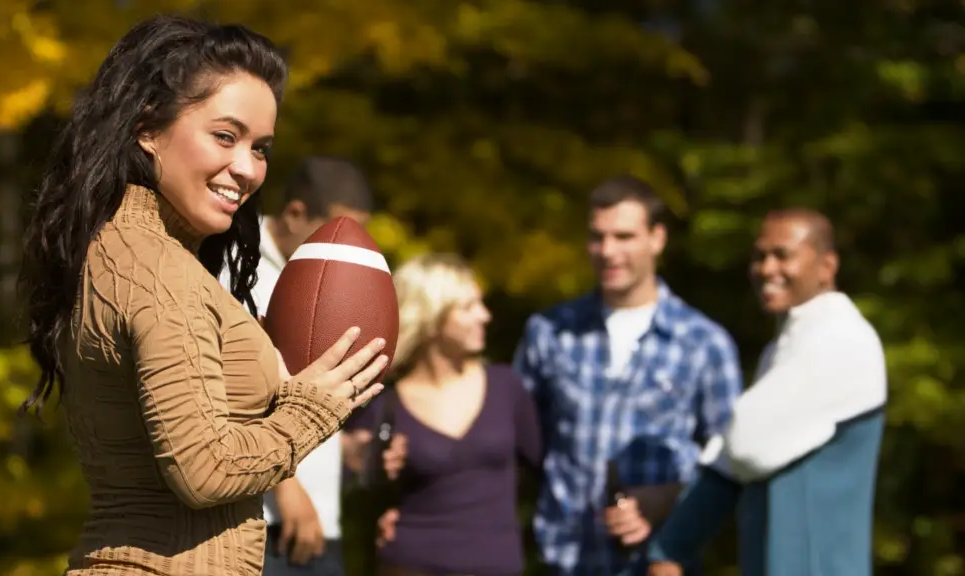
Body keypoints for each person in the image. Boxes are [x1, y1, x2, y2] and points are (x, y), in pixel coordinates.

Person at [18, 16, 388, 576]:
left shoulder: (129, 252)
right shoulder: (155, 270)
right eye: (225, 136)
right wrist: (315, 407)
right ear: (147, 127)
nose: (246, 168)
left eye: (260, 147)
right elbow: (205, 470)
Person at [512, 175, 744, 575]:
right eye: (596, 237)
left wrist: (669, 497)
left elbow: (730, 463)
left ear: (657, 239)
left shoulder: (704, 342)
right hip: (565, 559)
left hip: (661, 561)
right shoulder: (549, 332)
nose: (608, 251)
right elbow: (511, 446)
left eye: (624, 237)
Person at [646, 209, 887, 576]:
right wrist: (670, 550)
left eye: (783, 255)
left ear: (827, 266)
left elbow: (744, 443)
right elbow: (728, 462)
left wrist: (672, 546)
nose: (766, 268)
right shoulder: (786, 346)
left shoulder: (841, 338)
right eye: (759, 256)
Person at [219, 156, 406, 575]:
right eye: (332, 230)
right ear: (296, 213)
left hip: (322, 519)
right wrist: (285, 491)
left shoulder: (338, 279)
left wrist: (345, 453)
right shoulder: (232, 265)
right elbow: (229, 394)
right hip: (264, 519)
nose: (346, 244)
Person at [352, 253, 543, 576]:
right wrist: (363, 466)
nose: (485, 316)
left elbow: (547, 470)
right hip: (410, 565)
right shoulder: (385, 402)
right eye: (468, 307)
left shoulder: (506, 387)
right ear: (431, 317)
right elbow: (357, 482)